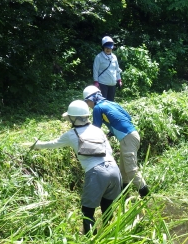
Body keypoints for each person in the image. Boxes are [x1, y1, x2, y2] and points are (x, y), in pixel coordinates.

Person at [24, 100, 122, 235]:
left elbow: (53, 144)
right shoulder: (97, 130)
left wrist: (37, 145)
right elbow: (109, 150)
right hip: (114, 169)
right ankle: (109, 236)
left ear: (73, 118)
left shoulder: (71, 134)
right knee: (107, 208)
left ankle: (91, 243)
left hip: (97, 172)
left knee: (87, 211)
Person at [83, 85, 150, 198]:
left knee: (131, 170)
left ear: (93, 98)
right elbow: (127, 118)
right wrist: (110, 133)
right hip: (133, 135)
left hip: (127, 139)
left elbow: (96, 128)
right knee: (123, 171)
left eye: (87, 101)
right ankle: (124, 196)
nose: (88, 105)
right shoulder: (112, 104)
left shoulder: (98, 108)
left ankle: (146, 195)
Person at [93, 36, 122, 101]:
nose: (108, 49)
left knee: (111, 102)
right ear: (103, 47)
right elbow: (95, 70)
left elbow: (117, 69)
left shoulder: (114, 57)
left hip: (112, 83)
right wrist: (96, 81)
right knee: (103, 101)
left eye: (109, 48)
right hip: (102, 83)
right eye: (106, 47)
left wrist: (119, 80)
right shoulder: (99, 57)